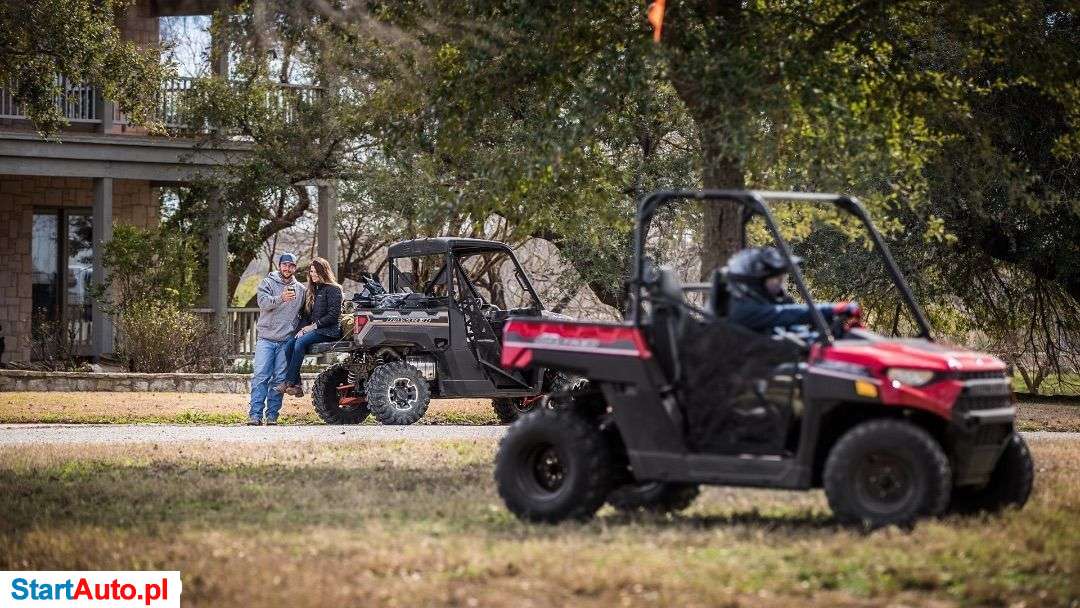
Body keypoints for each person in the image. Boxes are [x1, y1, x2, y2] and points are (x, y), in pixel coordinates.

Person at [725, 246, 859, 334]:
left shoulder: (770, 301)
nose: (781, 283)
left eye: (782, 278)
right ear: (755, 283)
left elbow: (794, 330)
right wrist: (832, 309)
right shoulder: (742, 309)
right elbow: (786, 314)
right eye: (775, 279)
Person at [249, 252, 306, 425]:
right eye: (285, 265)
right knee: (260, 376)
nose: (287, 268)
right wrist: (281, 298)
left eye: (291, 265)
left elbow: (304, 313)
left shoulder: (301, 290)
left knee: (280, 379)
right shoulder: (267, 282)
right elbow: (263, 303)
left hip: (285, 341)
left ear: (295, 268)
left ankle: (272, 416)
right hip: (266, 339)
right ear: (279, 266)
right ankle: (255, 415)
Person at [276, 256, 343, 397]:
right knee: (289, 344)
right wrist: (301, 330)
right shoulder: (312, 290)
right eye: (311, 271)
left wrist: (312, 327)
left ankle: (289, 382)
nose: (313, 274)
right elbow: (305, 315)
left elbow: (333, 316)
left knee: (300, 343)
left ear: (324, 271)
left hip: (328, 330)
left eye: (316, 271)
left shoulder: (334, 289)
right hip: (313, 329)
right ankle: (297, 385)